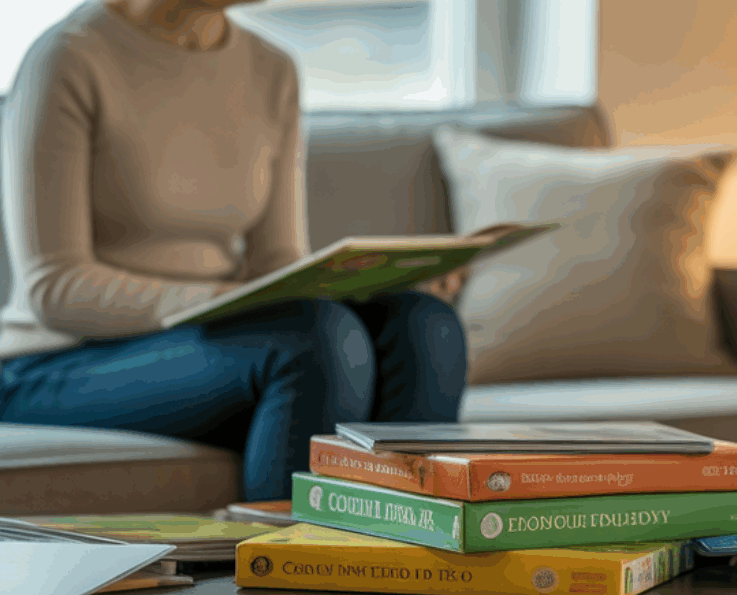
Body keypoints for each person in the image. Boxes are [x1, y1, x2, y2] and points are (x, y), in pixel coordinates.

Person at [0, 0, 467, 500]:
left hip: (207, 344)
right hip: (54, 365)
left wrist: (377, 283)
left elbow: (277, 261)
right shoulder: (68, 56)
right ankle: (289, 548)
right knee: (312, 340)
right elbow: (55, 288)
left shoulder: (271, 69)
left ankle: (401, 544)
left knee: (423, 325)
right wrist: (220, 299)